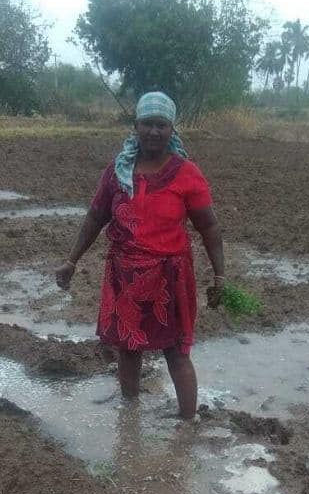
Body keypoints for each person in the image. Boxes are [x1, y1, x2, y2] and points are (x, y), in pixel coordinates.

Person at [56, 91, 224, 419]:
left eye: (161, 125)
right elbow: (95, 217)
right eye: (147, 124)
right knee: (128, 349)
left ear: (172, 129)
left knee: (176, 353)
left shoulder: (187, 173)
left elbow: (210, 228)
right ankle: (129, 415)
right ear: (135, 126)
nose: (153, 132)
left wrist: (220, 276)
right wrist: (72, 260)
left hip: (168, 279)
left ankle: (187, 424)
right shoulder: (117, 172)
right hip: (125, 276)